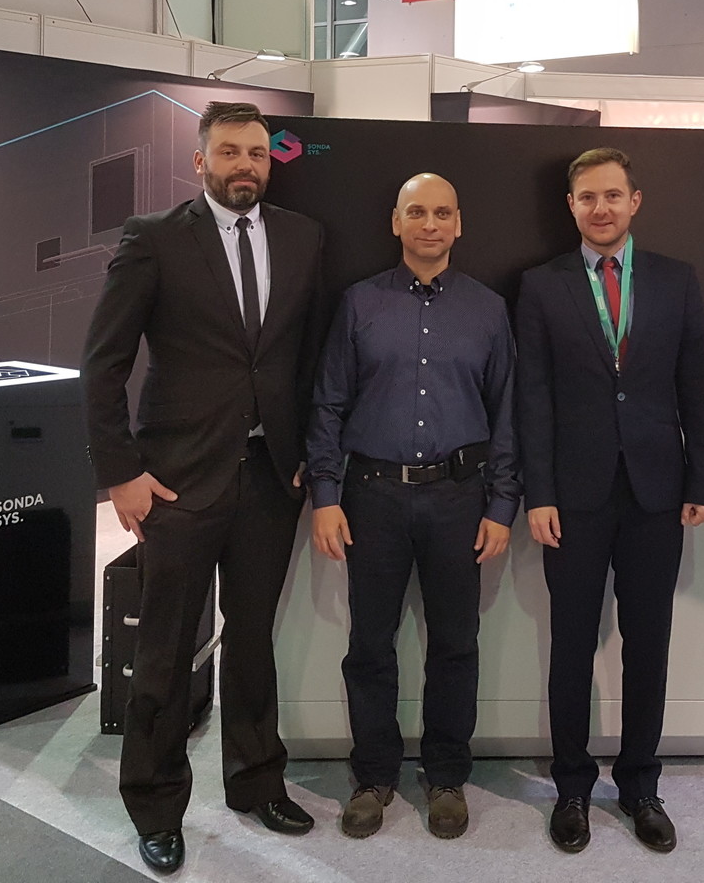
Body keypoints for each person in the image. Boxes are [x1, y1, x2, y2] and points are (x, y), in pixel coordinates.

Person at [83, 101, 326, 876]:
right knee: (165, 651)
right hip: (177, 482)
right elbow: (103, 363)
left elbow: (307, 360)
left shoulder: (302, 237)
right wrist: (120, 472)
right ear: (200, 161)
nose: (245, 165)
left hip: (270, 479)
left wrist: (306, 455)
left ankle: (256, 783)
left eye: (256, 152)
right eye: (229, 152)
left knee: (253, 642)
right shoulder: (153, 238)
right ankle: (156, 806)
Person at [515, 146, 704, 855]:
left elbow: (697, 386)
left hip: (657, 493)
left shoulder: (676, 280)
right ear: (570, 206)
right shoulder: (540, 286)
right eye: (587, 198)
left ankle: (639, 785)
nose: (599, 208)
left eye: (612, 195)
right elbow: (533, 398)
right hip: (572, 497)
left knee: (648, 643)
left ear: (635, 201)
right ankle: (572, 786)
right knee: (571, 644)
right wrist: (538, 492)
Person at [307, 173, 520, 841]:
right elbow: (328, 404)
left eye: (442, 213)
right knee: (369, 644)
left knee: (455, 643)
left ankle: (447, 776)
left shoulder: (488, 310)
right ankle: (373, 776)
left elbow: (507, 414)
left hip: (460, 499)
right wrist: (324, 496)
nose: (431, 224)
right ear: (396, 222)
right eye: (417, 212)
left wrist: (502, 504)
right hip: (371, 498)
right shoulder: (359, 303)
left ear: (459, 224)